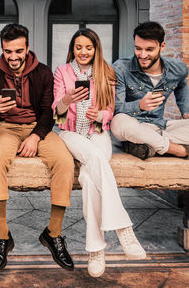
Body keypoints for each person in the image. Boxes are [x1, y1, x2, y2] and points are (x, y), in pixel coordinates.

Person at [0, 23, 75, 272]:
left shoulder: (44, 72)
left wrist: (36, 136)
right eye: (8, 51)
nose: (13, 57)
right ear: (3, 50)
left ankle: (54, 233)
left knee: (65, 161)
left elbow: (50, 111)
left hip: (38, 127)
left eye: (18, 51)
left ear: (27, 48)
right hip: (5, 127)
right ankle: (3, 237)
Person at [53, 28, 146, 277]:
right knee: (95, 158)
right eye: (78, 47)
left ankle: (96, 250)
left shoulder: (106, 72)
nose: (83, 52)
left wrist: (99, 116)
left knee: (88, 177)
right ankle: (124, 229)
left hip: (97, 133)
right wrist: (67, 100)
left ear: (96, 49)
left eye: (88, 47)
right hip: (71, 134)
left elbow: (110, 111)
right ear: (72, 49)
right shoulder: (62, 72)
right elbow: (57, 115)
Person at [111, 21, 189, 160]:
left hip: (160, 127)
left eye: (149, 49)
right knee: (118, 122)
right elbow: (115, 108)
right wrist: (139, 105)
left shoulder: (178, 68)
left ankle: (145, 145)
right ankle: (176, 149)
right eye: (138, 48)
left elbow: (181, 83)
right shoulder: (121, 68)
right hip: (133, 125)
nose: (142, 55)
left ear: (162, 46)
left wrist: (185, 110)